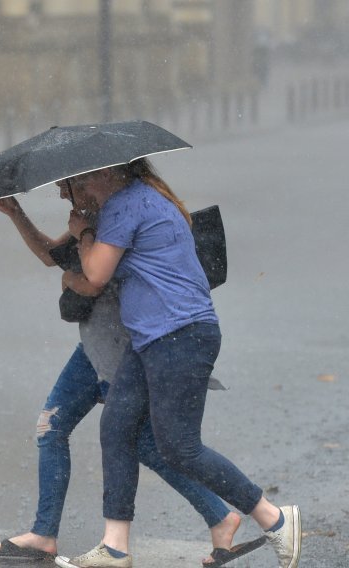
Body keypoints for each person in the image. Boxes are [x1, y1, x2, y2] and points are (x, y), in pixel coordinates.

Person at [0, 185, 262, 567]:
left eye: (67, 187)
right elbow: (53, 255)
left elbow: (91, 279)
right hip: (97, 345)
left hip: (121, 348)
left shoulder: (116, 219)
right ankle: (47, 533)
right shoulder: (95, 218)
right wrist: (17, 214)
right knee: (65, 429)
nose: (64, 195)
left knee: (145, 442)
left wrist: (75, 267)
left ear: (89, 180)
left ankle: (229, 515)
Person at [55, 159, 301, 568]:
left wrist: (82, 232)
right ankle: (115, 547)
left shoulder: (125, 205)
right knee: (117, 428)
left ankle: (273, 518)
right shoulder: (146, 198)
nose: (78, 187)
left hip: (179, 335)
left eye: (81, 178)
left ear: (106, 174)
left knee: (180, 448)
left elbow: (95, 275)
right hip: (153, 336)